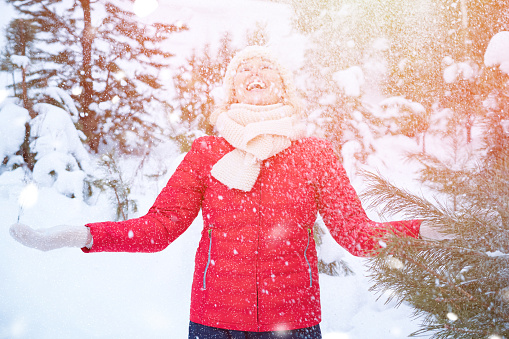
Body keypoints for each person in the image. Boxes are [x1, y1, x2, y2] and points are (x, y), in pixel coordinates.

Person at [10, 46, 439, 338]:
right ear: (232, 88)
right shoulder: (207, 152)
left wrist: (426, 231)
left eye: (265, 67)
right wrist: (81, 235)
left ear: (283, 85)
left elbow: (357, 235)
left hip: (294, 323)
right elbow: (159, 228)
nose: (255, 73)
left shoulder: (314, 154)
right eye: (243, 70)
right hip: (215, 323)